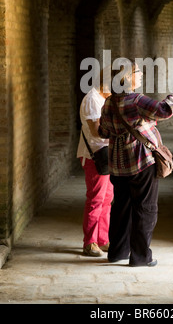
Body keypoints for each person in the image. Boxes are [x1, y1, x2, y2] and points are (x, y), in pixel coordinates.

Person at [98, 58, 173, 267]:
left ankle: (117, 252)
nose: (141, 75)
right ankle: (141, 257)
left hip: (117, 165)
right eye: (137, 72)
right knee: (145, 208)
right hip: (141, 162)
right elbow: (164, 110)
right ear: (125, 77)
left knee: (121, 208)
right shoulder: (135, 100)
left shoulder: (108, 102)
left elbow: (103, 131)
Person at [77, 72, 114, 257]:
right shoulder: (93, 99)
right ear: (104, 84)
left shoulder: (103, 98)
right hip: (95, 156)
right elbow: (95, 131)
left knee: (107, 199)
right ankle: (89, 242)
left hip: (105, 155)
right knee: (96, 199)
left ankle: (102, 239)